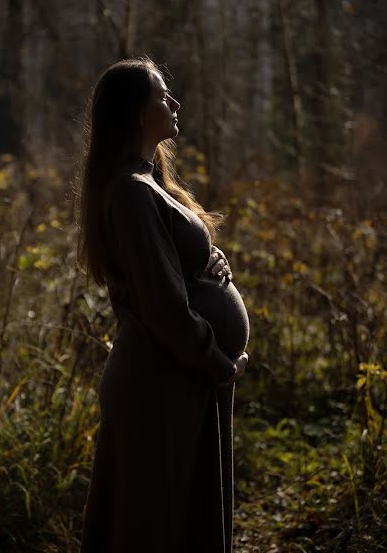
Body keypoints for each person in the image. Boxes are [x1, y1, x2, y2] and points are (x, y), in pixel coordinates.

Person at [75, 55, 250, 553]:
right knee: (153, 525)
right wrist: (218, 362)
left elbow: (174, 269)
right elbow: (163, 305)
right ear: (135, 112)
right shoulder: (129, 192)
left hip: (177, 378)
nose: (174, 103)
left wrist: (212, 266)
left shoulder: (148, 181)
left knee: (180, 517)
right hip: (158, 382)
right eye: (161, 96)